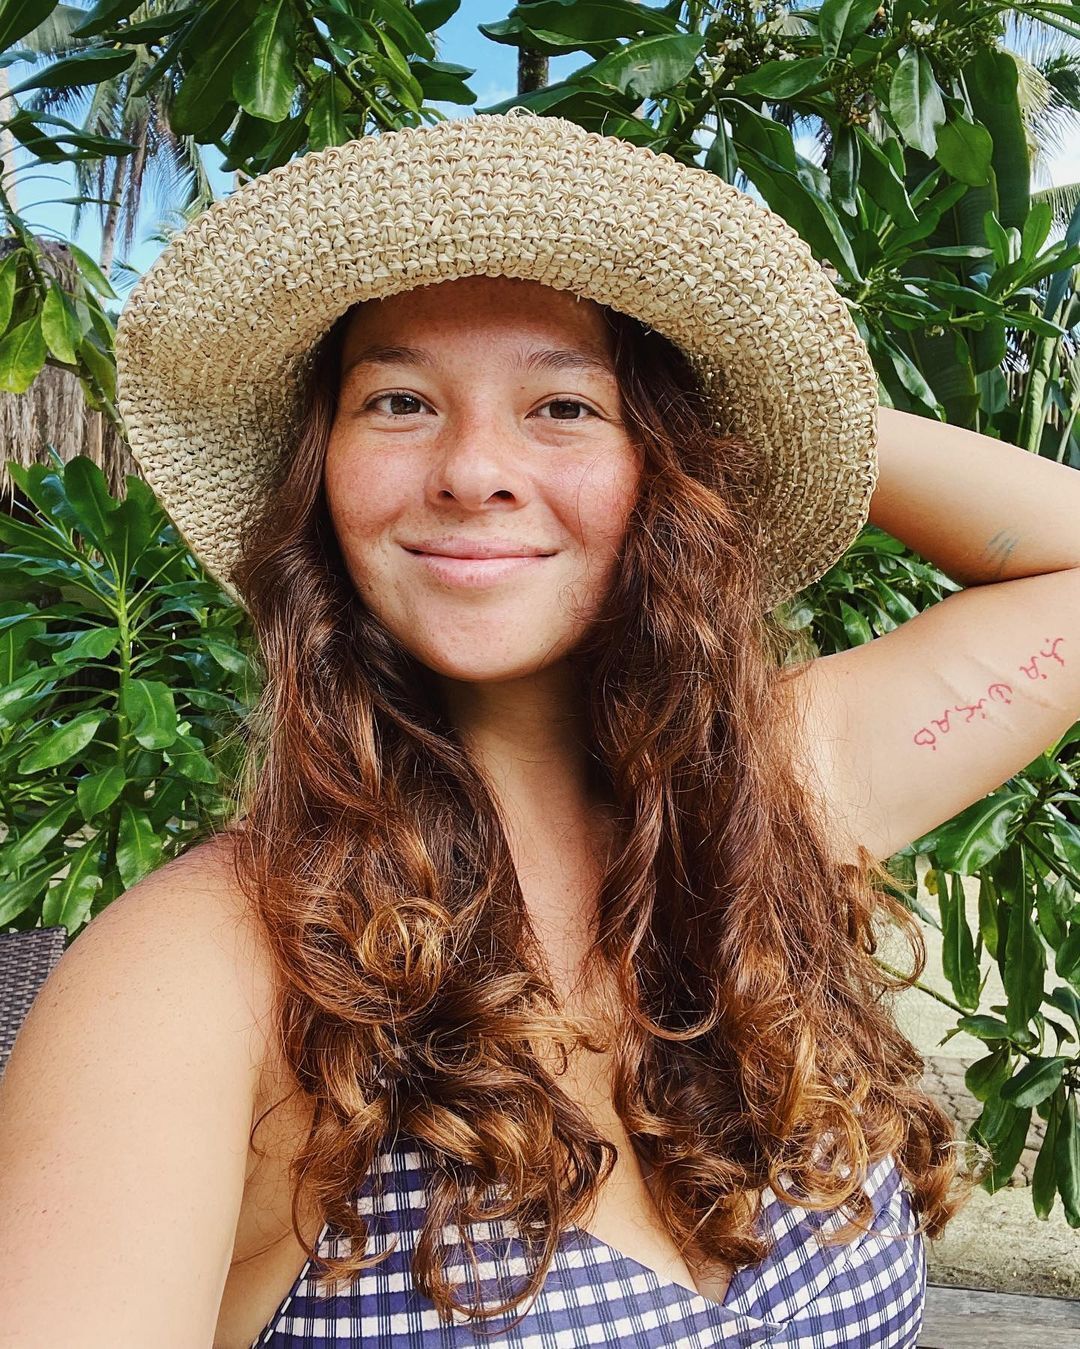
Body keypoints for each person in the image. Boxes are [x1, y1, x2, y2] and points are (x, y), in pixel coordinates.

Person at [3, 110, 1079, 1349]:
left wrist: (765, 394)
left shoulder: (774, 793)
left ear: (669, 467)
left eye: (565, 407)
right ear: (324, 473)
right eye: (400, 400)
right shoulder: (208, 973)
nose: (473, 469)